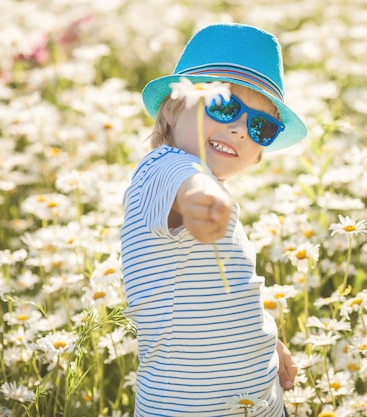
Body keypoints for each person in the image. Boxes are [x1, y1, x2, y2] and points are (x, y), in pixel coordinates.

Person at [120, 23, 308, 417]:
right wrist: (199, 198)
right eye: (224, 105)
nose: (240, 130)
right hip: (186, 406)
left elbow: (229, 298)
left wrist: (267, 342)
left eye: (261, 126)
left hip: (260, 398)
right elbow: (188, 186)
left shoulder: (212, 189)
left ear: (259, 153)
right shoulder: (163, 167)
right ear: (173, 107)